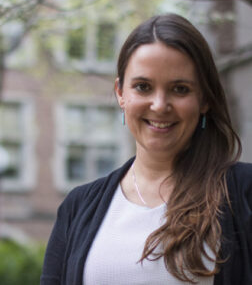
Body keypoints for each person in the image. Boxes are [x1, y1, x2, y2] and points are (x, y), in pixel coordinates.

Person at [40, 14, 252, 285]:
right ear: (120, 93)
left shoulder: (243, 194)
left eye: (179, 89)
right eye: (143, 87)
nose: (160, 105)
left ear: (204, 99)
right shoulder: (77, 207)